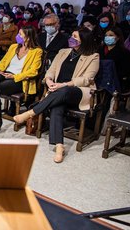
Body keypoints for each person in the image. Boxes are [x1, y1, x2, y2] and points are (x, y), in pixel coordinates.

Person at [14, 29, 100, 163]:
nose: (71, 38)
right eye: (71, 35)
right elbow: (51, 70)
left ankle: (31, 112)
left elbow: (87, 79)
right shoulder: (63, 52)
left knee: (64, 91)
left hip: (77, 92)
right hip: (57, 91)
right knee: (57, 107)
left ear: (83, 40)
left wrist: (64, 84)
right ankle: (59, 146)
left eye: (75, 37)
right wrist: (49, 81)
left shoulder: (93, 56)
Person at [0, 25, 43, 135]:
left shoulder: (36, 51)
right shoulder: (14, 47)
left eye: (20, 34)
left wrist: (14, 76)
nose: (18, 36)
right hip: (5, 73)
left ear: (28, 37)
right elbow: (4, 61)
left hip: (19, 79)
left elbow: (33, 71)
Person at [100, 27, 130, 93]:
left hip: (116, 82)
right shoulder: (99, 50)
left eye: (111, 35)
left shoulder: (124, 52)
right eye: (106, 35)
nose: (107, 37)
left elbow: (127, 71)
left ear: (118, 38)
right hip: (100, 80)